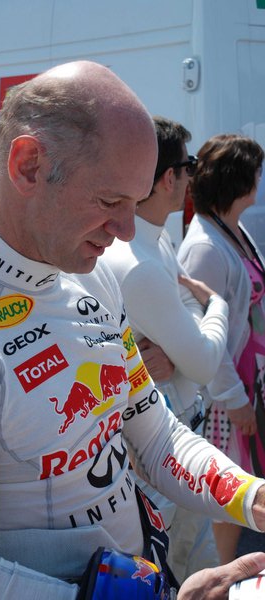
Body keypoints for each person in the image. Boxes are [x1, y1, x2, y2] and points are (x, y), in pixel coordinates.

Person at [0, 61, 265, 600]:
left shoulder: (96, 276)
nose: (127, 229)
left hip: (135, 576)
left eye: (136, 203)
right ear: (30, 165)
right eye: (111, 202)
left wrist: (253, 497)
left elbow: (154, 434)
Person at [103, 116, 229, 582]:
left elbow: (187, 353)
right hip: (162, 455)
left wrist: (177, 349)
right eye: (188, 165)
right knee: (179, 576)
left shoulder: (155, 242)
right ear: (165, 178)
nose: (193, 176)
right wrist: (216, 303)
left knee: (196, 568)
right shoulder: (139, 260)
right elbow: (205, 361)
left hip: (174, 440)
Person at [178, 133, 265, 566]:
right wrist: (234, 400)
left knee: (243, 487)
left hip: (250, 381)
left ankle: (227, 576)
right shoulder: (204, 246)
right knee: (228, 493)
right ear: (240, 179)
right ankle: (220, 578)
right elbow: (202, 332)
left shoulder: (231, 227)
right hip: (224, 397)